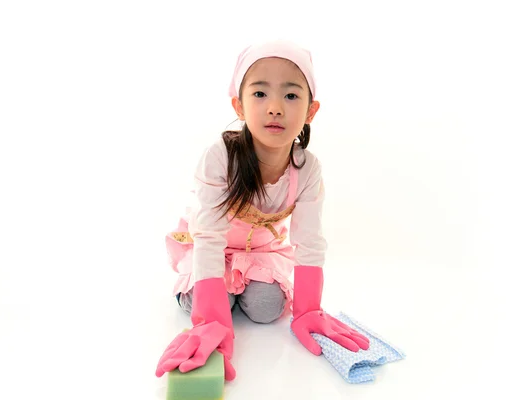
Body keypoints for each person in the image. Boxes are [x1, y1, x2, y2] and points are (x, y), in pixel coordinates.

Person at [155, 40, 370, 381]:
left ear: (311, 111)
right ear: (238, 106)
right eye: (259, 94)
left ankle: (239, 290)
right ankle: (215, 296)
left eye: (290, 95)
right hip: (213, 247)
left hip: (261, 252)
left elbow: (309, 240)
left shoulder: (307, 168)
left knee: (268, 308)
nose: (274, 108)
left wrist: (309, 309)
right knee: (213, 303)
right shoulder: (220, 157)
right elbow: (209, 237)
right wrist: (210, 317)